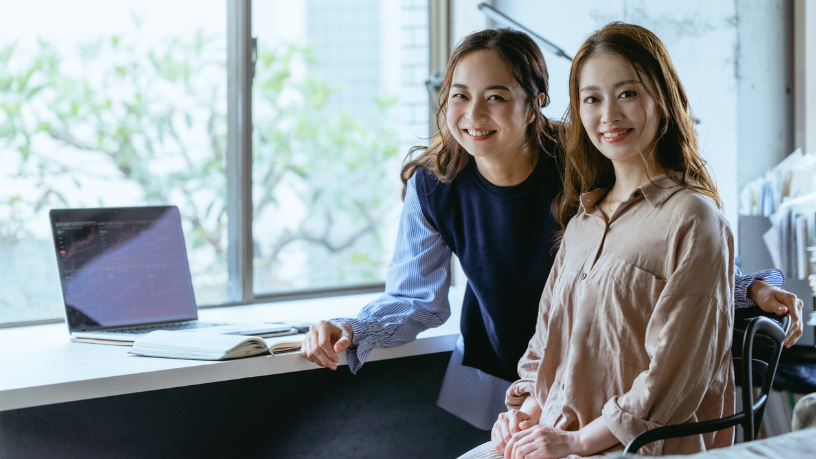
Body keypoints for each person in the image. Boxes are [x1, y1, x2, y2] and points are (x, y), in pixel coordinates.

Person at [300, 28, 805, 432]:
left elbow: (660, 246)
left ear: (536, 101)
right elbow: (417, 299)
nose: (473, 115)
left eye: (495, 96)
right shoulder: (435, 184)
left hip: (603, 373)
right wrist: (355, 329)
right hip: (505, 376)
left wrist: (747, 288)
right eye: (459, 96)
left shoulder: (585, 159)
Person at [458, 22, 746, 459]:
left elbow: (676, 375)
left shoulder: (693, 217)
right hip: (558, 434)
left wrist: (577, 441)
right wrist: (526, 414)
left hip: (639, 447)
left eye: (627, 93)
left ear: (662, 99)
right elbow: (546, 346)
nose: (608, 115)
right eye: (592, 99)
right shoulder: (582, 221)